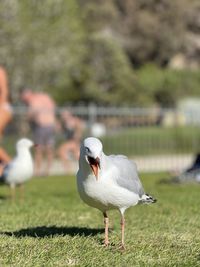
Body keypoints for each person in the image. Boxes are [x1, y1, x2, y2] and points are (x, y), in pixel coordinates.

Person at [21, 89, 56, 176]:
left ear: (27, 94)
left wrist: (26, 120)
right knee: (49, 149)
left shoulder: (33, 100)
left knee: (38, 149)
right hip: (51, 125)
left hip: (41, 127)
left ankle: (37, 171)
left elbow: (32, 112)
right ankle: (47, 171)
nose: (24, 100)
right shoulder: (45, 97)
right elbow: (53, 106)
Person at [0, 66, 12, 174]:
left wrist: (1, 106)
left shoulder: (0, 71)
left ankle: (13, 166)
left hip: (2, 108)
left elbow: (4, 90)